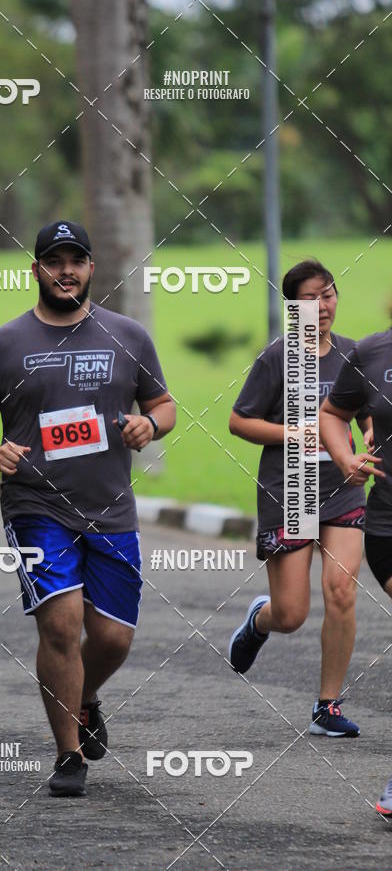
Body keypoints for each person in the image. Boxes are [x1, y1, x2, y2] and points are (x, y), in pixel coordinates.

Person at [0, 220, 175, 796]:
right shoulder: (2, 345)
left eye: (77, 259)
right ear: (37, 270)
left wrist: (149, 424)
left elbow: (164, 404)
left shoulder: (127, 335)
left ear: (91, 268)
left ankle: (86, 698)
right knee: (60, 625)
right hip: (35, 506)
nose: (66, 270)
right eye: (55, 261)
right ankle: (67, 754)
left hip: (111, 509)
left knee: (113, 639)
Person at [227, 260, 371, 737]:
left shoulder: (354, 355)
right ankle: (259, 621)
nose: (321, 306)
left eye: (327, 294)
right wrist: (296, 433)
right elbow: (240, 421)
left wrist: (370, 437)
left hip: (343, 487)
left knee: (341, 590)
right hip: (291, 490)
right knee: (292, 614)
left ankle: (326, 706)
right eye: (309, 298)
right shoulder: (276, 359)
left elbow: (370, 412)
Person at [319, 323, 391, 813]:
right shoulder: (371, 351)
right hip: (388, 521)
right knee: (290, 611)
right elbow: (331, 414)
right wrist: (346, 457)